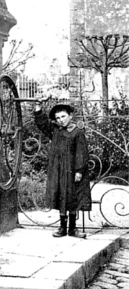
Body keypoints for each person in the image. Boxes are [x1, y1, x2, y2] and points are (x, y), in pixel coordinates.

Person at [34, 101, 91, 238]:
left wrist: (79, 171)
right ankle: (62, 228)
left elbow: (81, 153)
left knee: (72, 197)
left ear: (70, 116)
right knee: (61, 196)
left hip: (72, 171)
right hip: (58, 169)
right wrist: (38, 108)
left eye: (63, 116)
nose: (61, 120)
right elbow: (42, 124)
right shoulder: (55, 130)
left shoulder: (77, 132)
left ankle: (72, 228)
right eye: (58, 118)